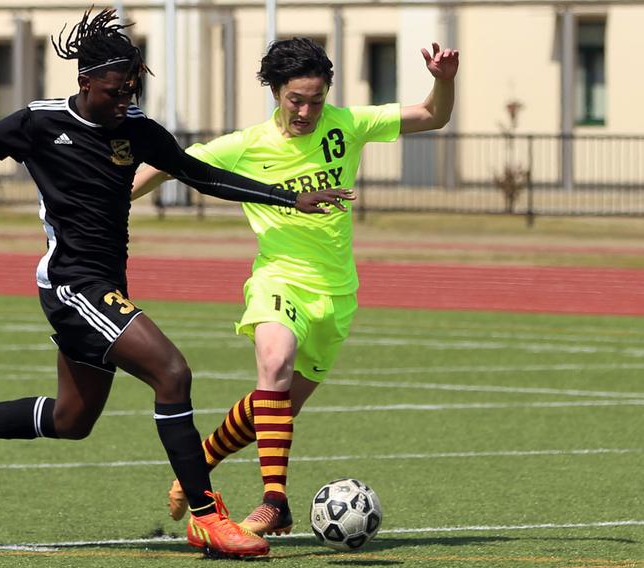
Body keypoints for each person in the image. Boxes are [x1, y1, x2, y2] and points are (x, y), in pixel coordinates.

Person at [0, 11, 351, 558]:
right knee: (172, 372)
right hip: (71, 283)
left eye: (131, 88)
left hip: (105, 284)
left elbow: (203, 175)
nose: (124, 99)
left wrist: (289, 198)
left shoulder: (137, 129)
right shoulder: (38, 123)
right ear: (84, 84)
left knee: (71, 419)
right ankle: (206, 517)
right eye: (113, 90)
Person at [132, 37, 459, 536]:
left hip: (337, 293)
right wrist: (108, 197)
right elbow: (171, 162)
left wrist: (443, 80)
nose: (306, 111)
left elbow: (433, 117)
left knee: (279, 406)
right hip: (278, 277)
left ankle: (196, 463)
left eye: (316, 100)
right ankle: (274, 502)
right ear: (276, 92)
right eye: (296, 100)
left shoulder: (347, 125)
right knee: (275, 361)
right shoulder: (246, 144)